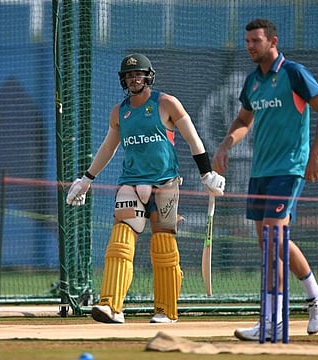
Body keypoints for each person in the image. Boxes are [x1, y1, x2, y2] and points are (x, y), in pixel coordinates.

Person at [66, 53, 225, 324]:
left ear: (148, 76)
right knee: (120, 242)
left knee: (163, 246)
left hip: (165, 183)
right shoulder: (120, 112)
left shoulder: (166, 103)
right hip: (130, 183)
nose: (133, 79)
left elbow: (193, 140)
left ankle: (165, 310)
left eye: (138, 74)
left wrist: (207, 173)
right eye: (129, 76)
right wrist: (86, 179)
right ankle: (111, 306)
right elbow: (108, 147)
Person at [212, 18, 318, 341]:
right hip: (260, 172)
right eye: (248, 41)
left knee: (272, 242)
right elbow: (242, 119)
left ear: (273, 42)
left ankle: (287, 314)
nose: (250, 46)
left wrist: (316, 154)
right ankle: (304, 303)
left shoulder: (294, 73)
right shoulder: (252, 81)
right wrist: (225, 145)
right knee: (268, 244)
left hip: (289, 168)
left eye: (256, 40)